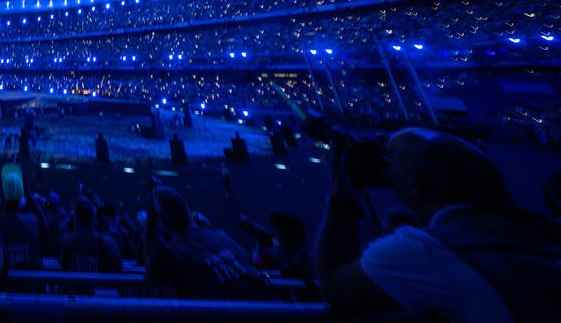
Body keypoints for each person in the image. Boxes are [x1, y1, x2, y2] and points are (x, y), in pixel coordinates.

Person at [316, 127, 561, 322]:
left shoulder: (427, 250)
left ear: (414, 183)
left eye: (389, 162)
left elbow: (334, 284)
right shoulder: (541, 233)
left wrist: (342, 190)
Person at [146, 186, 269, 299]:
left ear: (160, 219)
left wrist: (149, 229)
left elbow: (150, 279)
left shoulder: (170, 254)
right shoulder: (222, 238)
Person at [0, 164, 43, 270]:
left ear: (3, 195)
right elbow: (45, 229)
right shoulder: (32, 221)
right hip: (29, 282)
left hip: (4, 283)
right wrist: (29, 195)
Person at [59, 195, 123, 274]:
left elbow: (63, 267)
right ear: (94, 217)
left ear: (74, 217)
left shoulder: (66, 242)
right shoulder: (109, 243)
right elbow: (119, 269)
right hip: (101, 285)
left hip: (75, 286)